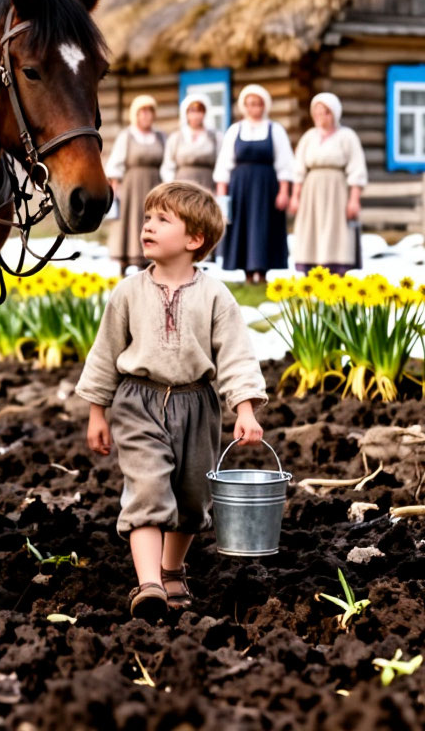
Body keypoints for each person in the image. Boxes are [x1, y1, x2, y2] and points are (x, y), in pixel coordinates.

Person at [77, 181, 267, 620]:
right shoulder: (128, 292)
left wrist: (244, 409)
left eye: (163, 220)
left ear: (193, 239)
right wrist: (96, 412)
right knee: (147, 487)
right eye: (147, 218)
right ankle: (148, 585)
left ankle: (171, 568)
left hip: (197, 405)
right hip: (137, 403)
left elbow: (236, 353)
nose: (148, 226)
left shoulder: (215, 296)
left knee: (191, 495)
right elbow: (104, 353)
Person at [214, 84, 294, 283]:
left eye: (257, 104)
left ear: (264, 106)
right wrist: (222, 197)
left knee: (264, 226)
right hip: (240, 186)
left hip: (267, 186)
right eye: (249, 104)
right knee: (243, 226)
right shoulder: (235, 130)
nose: (253, 108)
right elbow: (224, 165)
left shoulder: (275, 130)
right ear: (244, 106)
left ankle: (263, 271)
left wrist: (284, 191)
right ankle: (247, 274)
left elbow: (284, 163)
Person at [288, 93, 367, 274]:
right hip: (311, 191)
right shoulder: (309, 137)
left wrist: (354, 200)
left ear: (334, 113)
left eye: (325, 112)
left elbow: (357, 169)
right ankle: (311, 270)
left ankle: (336, 270)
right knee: (311, 229)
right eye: (317, 113)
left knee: (336, 230)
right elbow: (299, 168)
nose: (321, 117)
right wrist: (295, 196)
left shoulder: (347, 137)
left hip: (337, 191)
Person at [105, 94, 165, 272]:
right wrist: (115, 192)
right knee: (130, 222)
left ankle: (150, 260)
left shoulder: (160, 137)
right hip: (132, 188)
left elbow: (167, 163)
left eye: (149, 111)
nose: (146, 116)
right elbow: (115, 165)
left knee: (152, 221)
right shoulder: (127, 136)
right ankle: (125, 260)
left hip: (155, 186)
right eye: (142, 112)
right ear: (135, 115)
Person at [161, 94, 219, 190]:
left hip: (207, 185)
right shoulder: (176, 138)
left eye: (199, 111)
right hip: (182, 187)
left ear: (205, 113)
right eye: (192, 111)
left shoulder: (215, 137)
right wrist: (171, 188)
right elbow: (168, 166)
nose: (196, 115)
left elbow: (221, 165)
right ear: (186, 113)